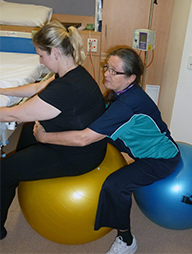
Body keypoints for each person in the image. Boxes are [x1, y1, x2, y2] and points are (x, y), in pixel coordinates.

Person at [33, 47, 181, 254]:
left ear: (131, 78)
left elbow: (84, 138)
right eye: (107, 67)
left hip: (159, 159)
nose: (106, 74)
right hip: (134, 146)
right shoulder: (123, 92)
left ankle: (127, 240)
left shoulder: (127, 105)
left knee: (114, 186)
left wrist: (44, 137)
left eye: (114, 71)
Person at [0, 20, 107, 240]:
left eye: (41, 55)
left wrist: (44, 136)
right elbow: (38, 87)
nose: (41, 61)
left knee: (4, 172)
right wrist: (2, 89)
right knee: (28, 134)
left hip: (78, 154)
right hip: (72, 140)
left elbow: (13, 114)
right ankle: (20, 178)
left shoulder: (66, 89)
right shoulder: (72, 73)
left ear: (55, 52)